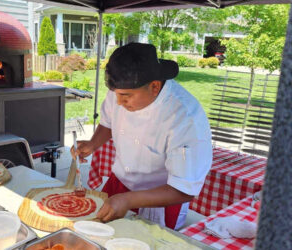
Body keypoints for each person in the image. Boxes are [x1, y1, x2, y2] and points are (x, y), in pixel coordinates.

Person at [71, 43, 212, 230]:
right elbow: (108, 121)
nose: (119, 102)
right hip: (119, 184)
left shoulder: (185, 118)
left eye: (126, 96)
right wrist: (92, 144)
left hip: (160, 197)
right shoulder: (122, 89)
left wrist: (128, 200)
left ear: (154, 86)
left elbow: (183, 190)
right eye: (116, 95)